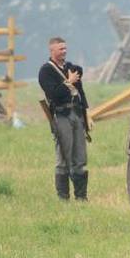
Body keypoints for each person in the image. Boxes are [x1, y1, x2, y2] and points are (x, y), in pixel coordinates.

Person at [38, 36, 89, 201]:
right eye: (61, 49)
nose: (64, 51)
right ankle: (63, 198)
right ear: (52, 50)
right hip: (61, 115)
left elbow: (80, 91)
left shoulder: (70, 67)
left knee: (80, 158)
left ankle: (81, 197)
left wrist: (86, 113)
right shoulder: (46, 71)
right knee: (63, 159)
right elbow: (55, 94)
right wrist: (69, 81)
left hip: (76, 114)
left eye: (65, 48)